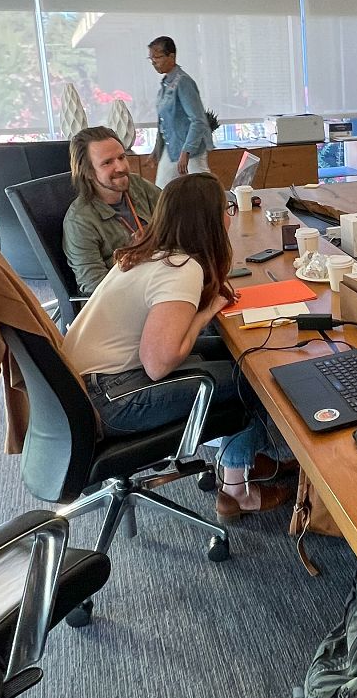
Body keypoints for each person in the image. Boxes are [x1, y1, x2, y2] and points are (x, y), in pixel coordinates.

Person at [63, 172, 295, 522]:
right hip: (112, 400)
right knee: (253, 376)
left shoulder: (149, 252)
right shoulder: (181, 268)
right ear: (208, 219)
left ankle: (245, 458)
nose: (230, 215)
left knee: (238, 354)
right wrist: (206, 313)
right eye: (226, 208)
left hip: (89, 388)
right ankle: (236, 492)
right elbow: (158, 363)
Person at [64, 126, 162, 294]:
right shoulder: (79, 221)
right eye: (107, 163)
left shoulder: (137, 185)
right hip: (130, 296)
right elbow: (93, 285)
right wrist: (130, 260)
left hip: (161, 276)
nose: (121, 167)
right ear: (87, 172)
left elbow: (177, 220)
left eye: (122, 157)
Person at [148, 36, 213, 186]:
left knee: (204, 187)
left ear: (171, 57)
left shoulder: (183, 82)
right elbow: (163, 122)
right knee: (162, 190)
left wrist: (186, 151)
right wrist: (157, 150)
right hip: (172, 148)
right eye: (151, 58)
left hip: (191, 151)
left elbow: (198, 120)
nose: (153, 62)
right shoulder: (165, 83)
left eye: (157, 57)